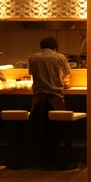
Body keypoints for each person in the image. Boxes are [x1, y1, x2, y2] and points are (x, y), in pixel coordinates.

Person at [28, 36, 71, 169]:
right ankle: (54, 160)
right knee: (55, 130)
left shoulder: (33, 58)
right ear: (55, 48)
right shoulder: (59, 57)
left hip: (37, 99)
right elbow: (67, 73)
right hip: (55, 98)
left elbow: (31, 73)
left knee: (39, 130)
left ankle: (41, 161)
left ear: (41, 47)